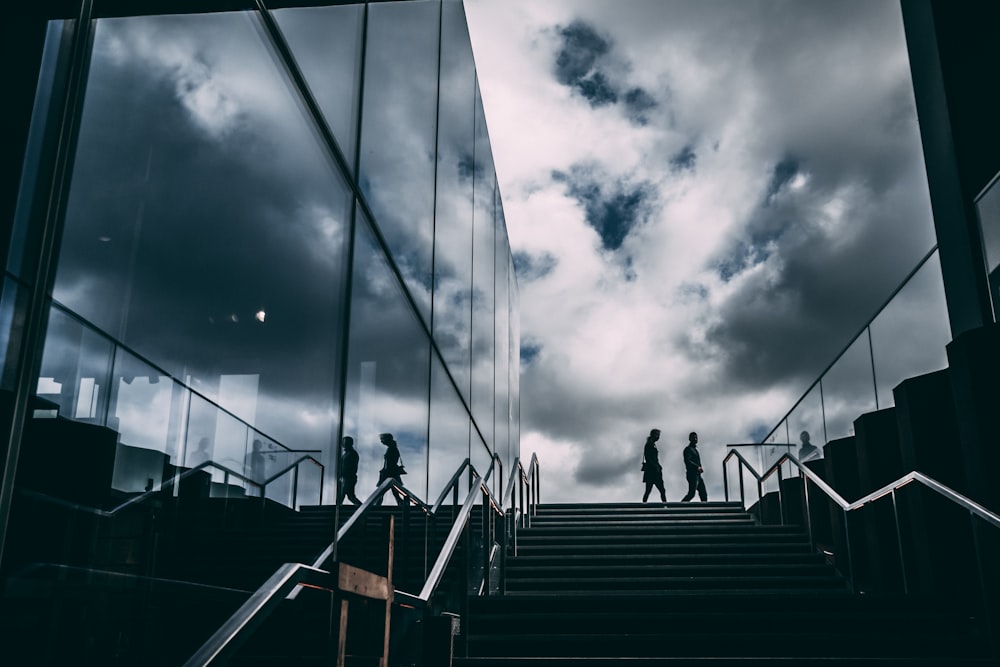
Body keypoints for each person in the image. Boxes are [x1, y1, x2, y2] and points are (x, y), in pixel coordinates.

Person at [375, 432, 406, 505]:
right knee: (395, 491)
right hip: (393, 472)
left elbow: (389, 463)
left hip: (388, 473)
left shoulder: (391, 449)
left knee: (381, 490)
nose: (381, 441)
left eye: (382, 439)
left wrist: (384, 471)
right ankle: (401, 503)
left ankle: (377, 504)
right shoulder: (393, 448)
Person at [641, 428, 667, 503]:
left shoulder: (651, 444)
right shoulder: (649, 444)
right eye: (657, 435)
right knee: (659, 490)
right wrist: (656, 467)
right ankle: (665, 505)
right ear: (653, 435)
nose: (658, 437)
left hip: (653, 471)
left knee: (649, 490)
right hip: (652, 471)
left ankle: (644, 504)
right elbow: (648, 458)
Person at [681, 431, 707, 502]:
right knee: (692, 493)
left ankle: (705, 509)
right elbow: (687, 461)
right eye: (693, 437)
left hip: (697, 474)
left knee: (703, 493)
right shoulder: (688, 449)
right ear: (690, 439)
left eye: (696, 437)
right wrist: (697, 467)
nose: (695, 439)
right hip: (692, 474)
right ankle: (680, 506)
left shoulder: (695, 449)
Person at [338, 436, 362, 505]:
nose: (343, 444)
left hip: (349, 478)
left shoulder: (352, 454)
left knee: (343, 496)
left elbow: (352, 467)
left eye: (344, 442)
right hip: (346, 478)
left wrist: (344, 473)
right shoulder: (346, 454)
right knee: (350, 496)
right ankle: (361, 507)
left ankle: (337, 510)